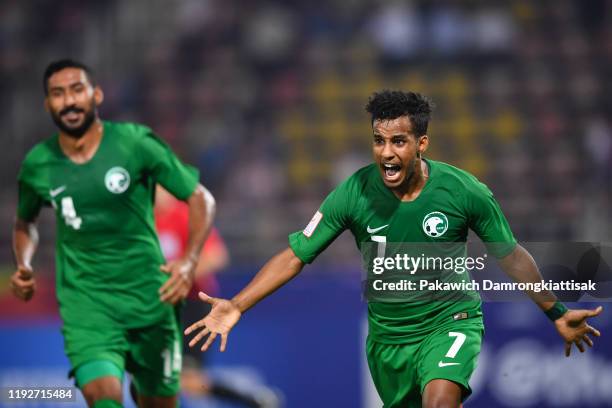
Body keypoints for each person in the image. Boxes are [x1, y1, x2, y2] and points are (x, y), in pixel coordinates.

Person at [185, 90, 603, 408]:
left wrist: (556, 312)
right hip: (388, 342)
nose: (386, 153)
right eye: (379, 141)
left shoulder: (463, 192)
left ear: (422, 144)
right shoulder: (354, 193)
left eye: (399, 141)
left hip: (450, 322)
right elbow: (296, 255)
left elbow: (510, 256)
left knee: (440, 401)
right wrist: (238, 305)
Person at [10, 59, 215, 408]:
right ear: (48, 104)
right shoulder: (38, 165)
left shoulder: (134, 144)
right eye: (58, 94)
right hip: (87, 306)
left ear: (97, 95)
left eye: (77, 89)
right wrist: (24, 264)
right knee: (102, 394)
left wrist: (188, 261)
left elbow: (200, 198)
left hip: (150, 301)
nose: (69, 101)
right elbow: (25, 223)